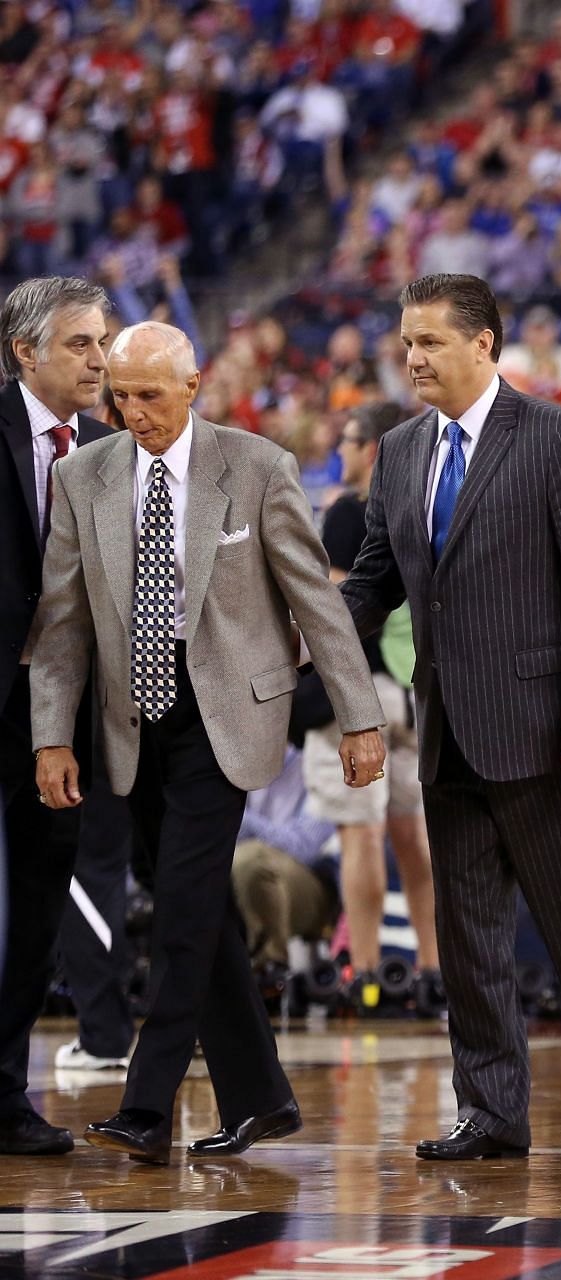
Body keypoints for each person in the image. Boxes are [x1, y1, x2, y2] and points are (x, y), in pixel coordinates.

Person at [337, 273, 561, 1162]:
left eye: (430, 342)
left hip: (554, 734)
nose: (412, 357)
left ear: (484, 343)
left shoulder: (558, 438)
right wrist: (313, 636)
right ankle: (490, 1112)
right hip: (448, 730)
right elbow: (376, 578)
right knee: (470, 937)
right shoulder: (403, 450)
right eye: (406, 342)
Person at [33, 321, 386, 1165]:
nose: (134, 411)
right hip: (126, 725)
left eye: (151, 394)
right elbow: (61, 623)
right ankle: (260, 1098)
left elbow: (316, 603)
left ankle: (147, 1106)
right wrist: (53, 736)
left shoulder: (258, 466)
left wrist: (360, 715)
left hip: (225, 718)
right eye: (121, 396)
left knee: (185, 913)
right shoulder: (83, 474)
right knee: (203, 915)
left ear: (194, 386)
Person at [0, 277, 123, 1149]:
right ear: (24, 352)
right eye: (81, 342)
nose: (100, 358)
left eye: (102, 341)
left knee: (43, 903)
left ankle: (4, 1093)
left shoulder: (115, 451)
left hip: (65, 719)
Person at [307, 399, 441, 1016]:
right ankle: (435, 974)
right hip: (417, 691)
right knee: (415, 840)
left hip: (358, 694)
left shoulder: (348, 513)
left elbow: (338, 618)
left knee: (360, 836)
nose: (343, 450)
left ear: (375, 449)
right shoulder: (428, 503)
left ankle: (363, 974)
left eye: (352, 438)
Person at [232, 746, 341, 972]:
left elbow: (304, 847)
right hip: (235, 870)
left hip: (314, 885)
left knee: (251, 861)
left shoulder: (324, 756)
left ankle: (270, 974)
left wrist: (236, 818)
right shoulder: (234, 752)